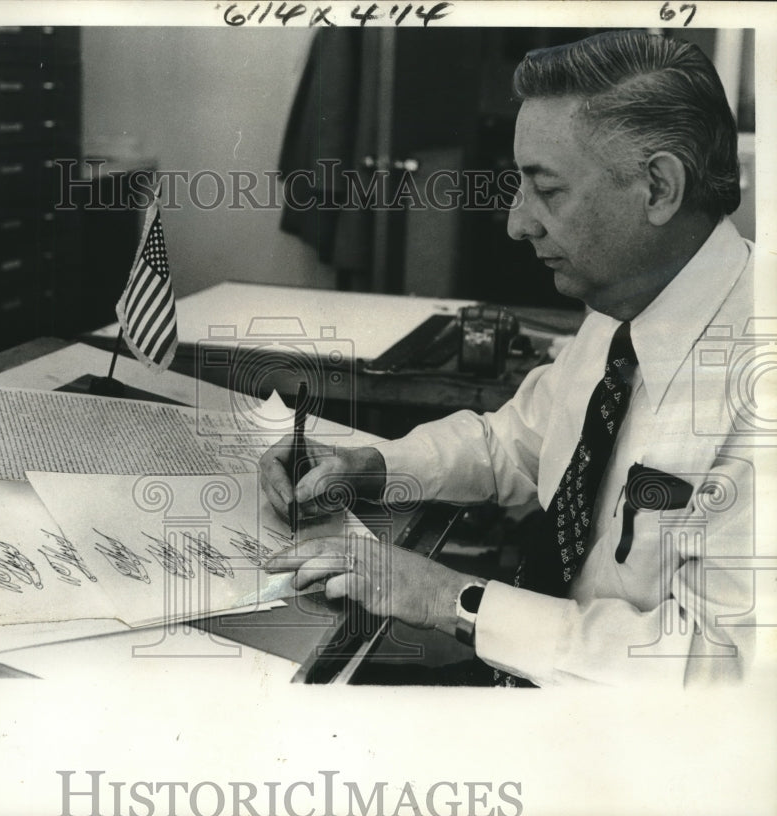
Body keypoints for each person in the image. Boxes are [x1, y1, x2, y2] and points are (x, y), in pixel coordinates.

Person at [259, 30, 757, 686]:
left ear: (659, 187)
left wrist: (449, 599)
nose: (517, 224)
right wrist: (374, 468)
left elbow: (726, 675)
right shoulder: (624, 306)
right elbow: (516, 443)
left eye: (546, 190)